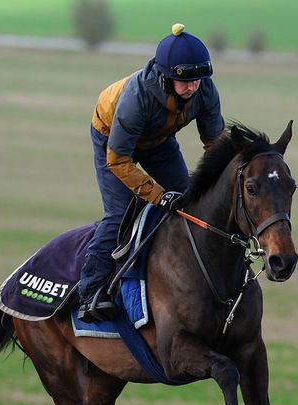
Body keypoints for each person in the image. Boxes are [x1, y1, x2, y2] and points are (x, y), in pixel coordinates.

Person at [77, 23, 225, 323]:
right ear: (165, 76)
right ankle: (90, 292)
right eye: (185, 82)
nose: (193, 87)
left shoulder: (204, 89)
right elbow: (118, 161)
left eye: (198, 80)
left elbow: (216, 145)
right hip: (113, 141)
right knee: (119, 215)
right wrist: (159, 196)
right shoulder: (137, 98)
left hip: (158, 140)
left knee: (189, 203)